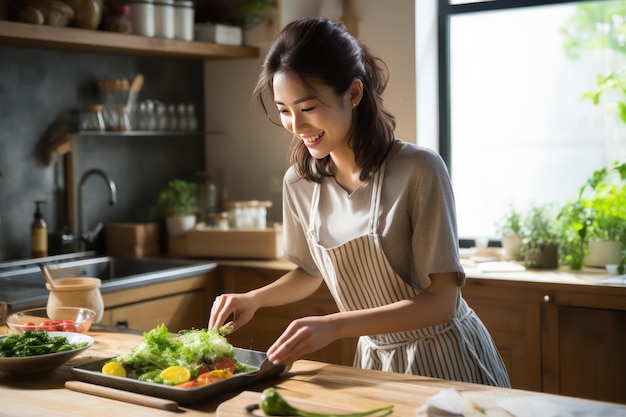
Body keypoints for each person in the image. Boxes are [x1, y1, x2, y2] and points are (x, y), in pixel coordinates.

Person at [209, 17, 511, 388]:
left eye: (308, 107)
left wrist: (335, 325)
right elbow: (309, 272)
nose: (296, 126)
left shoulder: (419, 170)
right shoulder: (299, 183)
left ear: (353, 94)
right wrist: (253, 299)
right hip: (374, 365)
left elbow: (442, 301)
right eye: (285, 110)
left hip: (447, 357)